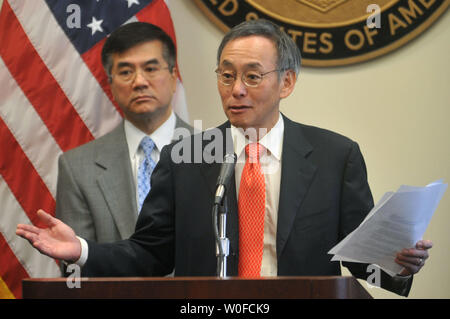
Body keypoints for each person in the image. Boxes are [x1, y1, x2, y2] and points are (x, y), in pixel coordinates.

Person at [17, 19, 432, 296]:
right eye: (226, 74)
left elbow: (363, 264)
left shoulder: (335, 156)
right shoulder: (185, 156)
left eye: (252, 76)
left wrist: (398, 262)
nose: (236, 89)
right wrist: (84, 251)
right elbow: (150, 254)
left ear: (286, 82)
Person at [55, 22, 193, 248]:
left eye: (150, 69)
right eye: (126, 72)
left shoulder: (212, 154)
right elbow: (76, 266)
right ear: (110, 84)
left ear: (172, 77)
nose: (139, 82)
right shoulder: (77, 168)